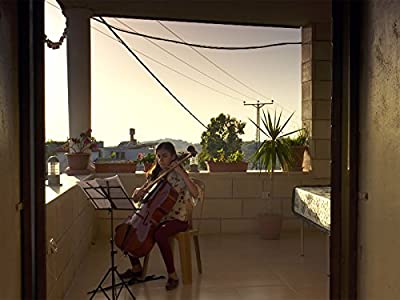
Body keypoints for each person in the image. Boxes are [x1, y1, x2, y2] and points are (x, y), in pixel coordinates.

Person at [121, 141, 200, 290]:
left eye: (165, 156)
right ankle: (136, 268)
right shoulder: (156, 175)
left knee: (160, 234)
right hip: (157, 218)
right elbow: (137, 199)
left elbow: (196, 193)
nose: (161, 160)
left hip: (178, 219)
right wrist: (138, 192)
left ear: (173, 157)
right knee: (129, 229)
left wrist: (181, 172)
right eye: (158, 157)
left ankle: (172, 275)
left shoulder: (180, 176)